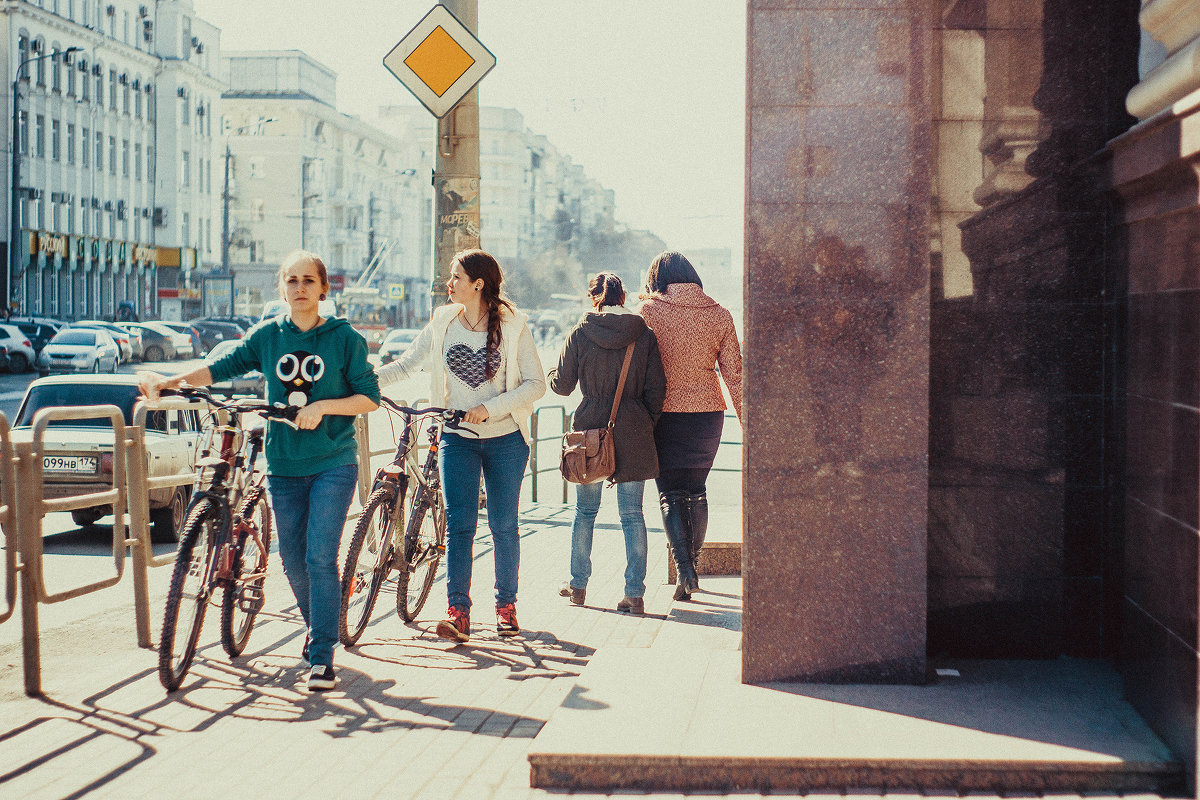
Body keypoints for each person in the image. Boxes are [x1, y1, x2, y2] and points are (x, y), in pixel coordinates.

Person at [139, 250, 380, 691]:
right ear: (282, 287)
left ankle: (323, 657)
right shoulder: (268, 336)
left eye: (309, 280)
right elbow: (221, 367)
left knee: (320, 557)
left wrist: (324, 406)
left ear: (324, 289)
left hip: (332, 462)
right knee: (291, 559)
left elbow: (369, 398)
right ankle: (318, 629)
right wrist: (170, 382)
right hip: (284, 465)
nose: (301, 288)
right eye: (292, 280)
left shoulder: (345, 339)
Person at [377, 249, 546, 643]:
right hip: (456, 439)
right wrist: (364, 382)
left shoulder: (514, 325)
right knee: (459, 527)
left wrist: (490, 407)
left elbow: (535, 384)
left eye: (455, 277)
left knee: (504, 526)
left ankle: (506, 609)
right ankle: (458, 613)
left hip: (506, 440)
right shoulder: (442, 322)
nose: (448, 284)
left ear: (478, 284)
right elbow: (406, 365)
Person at [549, 273, 665, 614]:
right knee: (632, 515)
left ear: (593, 297)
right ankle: (634, 593)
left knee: (585, 512)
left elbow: (564, 386)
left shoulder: (580, 334)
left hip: (590, 435)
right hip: (633, 431)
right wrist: (642, 422)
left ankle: (578, 587)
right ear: (623, 296)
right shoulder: (643, 335)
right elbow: (657, 390)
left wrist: (553, 375)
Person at [638, 251, 743, 601]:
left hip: (664, 414)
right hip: (707, 414)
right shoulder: (720, 314)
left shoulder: (648, 312)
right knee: (696, 490)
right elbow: (735, 375)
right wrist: (751, 426)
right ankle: (690, 569)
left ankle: (686, 570)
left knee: (670, 493)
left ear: (659, 279)